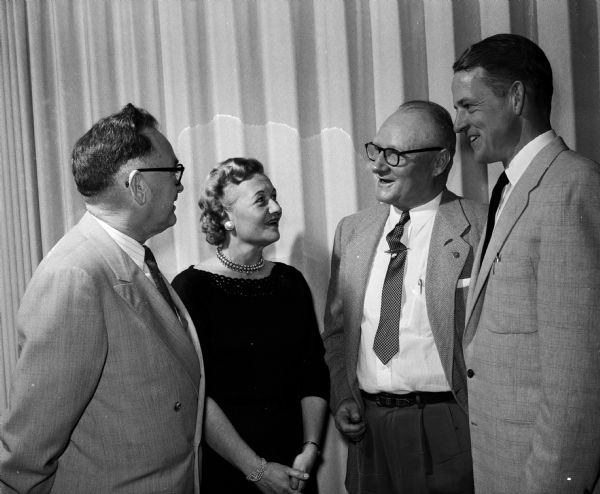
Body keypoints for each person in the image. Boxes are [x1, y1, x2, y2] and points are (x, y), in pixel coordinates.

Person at [0, 105, 308, 494]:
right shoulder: (75, 276)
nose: (181, 185)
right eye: (173, 171)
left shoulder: (134, 259)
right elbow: (26, 456)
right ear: (138, 185)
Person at [453, 34, 600, 494]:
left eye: (469, 106)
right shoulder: (508, 187)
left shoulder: (572, 186)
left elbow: (575, 383)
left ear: (516, 97)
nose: (459, 123)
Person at [321, 100, 487, 494]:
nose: (376, 166)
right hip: (370, 431)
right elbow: (337, 332)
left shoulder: (481, 227)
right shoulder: (352, 231)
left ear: (439, 161)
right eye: (375, 151)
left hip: (451, 425)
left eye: (394, 155)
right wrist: (342, 394)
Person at [172, 157, 330, 494]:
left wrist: (310, 450)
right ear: (225, 217)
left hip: (295, 467)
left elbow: (312, 371)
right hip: (230, 469)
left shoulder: (291, 281)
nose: (276, 207)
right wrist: (256, 470)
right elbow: (198, 394)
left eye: (274, 196)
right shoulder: (190, 288)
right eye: (262, 200)